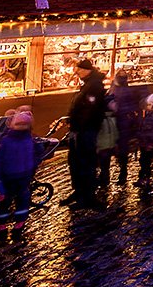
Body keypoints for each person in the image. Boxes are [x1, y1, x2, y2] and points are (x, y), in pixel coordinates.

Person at [63, 59, 106, 210]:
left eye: (80, 70)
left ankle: (87, 197)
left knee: (85, 163)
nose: (77, 72)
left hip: (85, 130)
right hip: (79, 129)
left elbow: (90, 109)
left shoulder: (94, 85)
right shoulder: (88, 83)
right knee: (75, 162)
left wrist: (78, 124)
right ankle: (79, 192)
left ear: (87, 70)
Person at [0, 109, 41, 240]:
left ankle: (2, 227)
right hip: (24, 177)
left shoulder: (5, 141)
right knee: (22, 201)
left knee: (4, 203)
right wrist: (32, 166)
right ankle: (18, 226)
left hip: (7, 176)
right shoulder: (31, 140)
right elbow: (37, 154)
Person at [110, 69, 141, 186]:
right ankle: (121, 172)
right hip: (121, 123)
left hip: (120, 123)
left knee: (120, 148)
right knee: (120, 148)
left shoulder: (119, 90)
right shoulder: (123, 89)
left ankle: (122, 173)